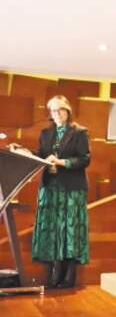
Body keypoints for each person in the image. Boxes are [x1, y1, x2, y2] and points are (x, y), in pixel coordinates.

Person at [11, 95, 91, 288]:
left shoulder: (80, 132)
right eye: (53, 110)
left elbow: (84, 159)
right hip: (50, 188)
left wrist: (61, 162)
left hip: (71, 189)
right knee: (53, 230)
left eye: (60, 110)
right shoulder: (46, 133)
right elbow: (41, 156)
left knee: (71, 231)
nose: (56, 114)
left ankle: (69, 274)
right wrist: (24, 151)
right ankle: (55, 272)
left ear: (68, 111)